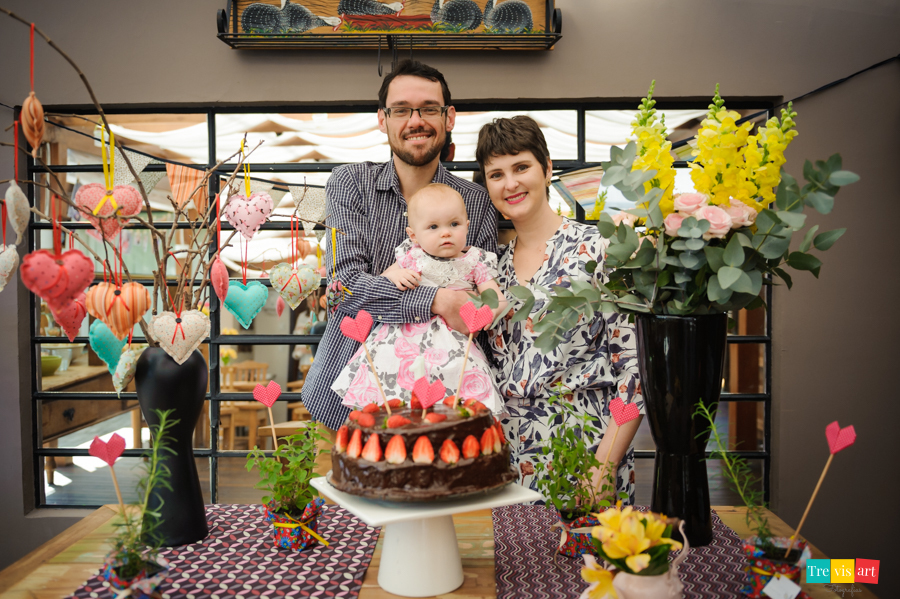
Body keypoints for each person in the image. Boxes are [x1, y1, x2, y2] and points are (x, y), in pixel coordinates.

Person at [302, 60, 498, 432]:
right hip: (346, 404)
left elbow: (478, 305)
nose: (415, 120)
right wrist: (437, 300)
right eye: (401, 110)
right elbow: (344, 290)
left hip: (448, 403)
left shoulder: (475, 202)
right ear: (383, 119)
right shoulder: (350, 184)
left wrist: (380, 290)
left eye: (429, 109)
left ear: (449, 117)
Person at [475, 115, 644, 504]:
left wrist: (605, 465)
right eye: (496, 174)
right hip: (506, 460)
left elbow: (634, 370)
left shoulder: (601, 249)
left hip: (586, 447)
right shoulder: (488, 270)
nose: (510, 183)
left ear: (547, 169)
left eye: (521, 167)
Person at [331, 183, 507, 413]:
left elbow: (496, 299)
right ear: (413, 235)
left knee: (453, 397)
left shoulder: (475, 261)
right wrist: (395, 275)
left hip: (453, 342)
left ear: (467, 225)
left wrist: (488, 313)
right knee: (396, 396)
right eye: (433, 227)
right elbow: (381, 281)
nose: (446, 232)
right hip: (403, 338)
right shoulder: (411, 256)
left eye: (454, 224)